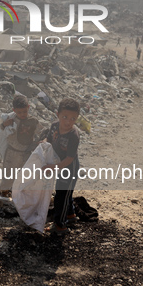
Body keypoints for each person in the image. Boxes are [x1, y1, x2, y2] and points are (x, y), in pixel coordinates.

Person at [43, 98, 81, 235]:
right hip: (58, 163)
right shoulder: (54, 126)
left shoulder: (73, 135)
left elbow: (70, 158)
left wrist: (54, 167)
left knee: (62, 195)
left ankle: (60, 225)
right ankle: (70, 215)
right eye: (65, 117)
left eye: (72, 118)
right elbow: (48, 139)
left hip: (69, 167)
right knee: (66, 194)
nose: (68, 121)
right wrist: (43, 144)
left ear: (77, 119)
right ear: (57, 114)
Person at [0, 94, 43, 195]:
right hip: (12, 154)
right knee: (8, 177)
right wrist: (4, 125)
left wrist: (40, 141)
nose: (22, 114)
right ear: (14, 110)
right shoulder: (11, 120)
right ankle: (3, 198)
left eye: (25, 111)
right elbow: (0, 131)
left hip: (26, 154)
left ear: (29, 107)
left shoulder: (33, 121)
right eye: (19, 112)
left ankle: (19, 199)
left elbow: (40, 132)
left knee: (24, 178)